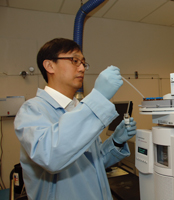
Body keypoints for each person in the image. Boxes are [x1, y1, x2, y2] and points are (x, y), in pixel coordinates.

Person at [14, 38, 137, 200]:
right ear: (49, 66)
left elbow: (94, 163)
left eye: (83, 63)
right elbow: (50, 156)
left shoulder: (78, 109)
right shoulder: (32, 110)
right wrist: (98, 97)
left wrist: (116, 142)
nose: (82, 68)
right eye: (74, 60)